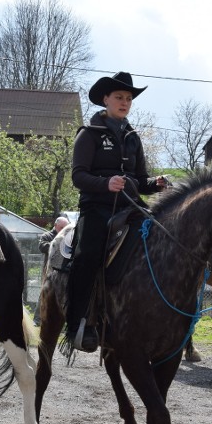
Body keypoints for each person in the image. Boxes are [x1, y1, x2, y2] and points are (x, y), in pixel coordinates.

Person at [65, 72, 168, 352]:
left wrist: (155, 184)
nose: (125, 102)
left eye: (129, 98)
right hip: (96, 208)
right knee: (87, 257)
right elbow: (78, 177)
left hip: (131, 207)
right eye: (119, 97)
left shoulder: (133, 138)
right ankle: (77, 324)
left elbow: (142, 180)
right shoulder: (89, 134)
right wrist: (105, 183)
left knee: (164, 241)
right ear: (105, 100)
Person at [34, 215, 70, 326]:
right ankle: (37, 319)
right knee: (44, 294)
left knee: (64, 294)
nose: (63, 230)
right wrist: (57, 245)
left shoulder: (69, 237)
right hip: (49, 270)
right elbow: (42, 246)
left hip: (63, 271)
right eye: (61, 227)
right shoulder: (47, 235)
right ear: (55, 226)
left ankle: (63, 322)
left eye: (66, 227)